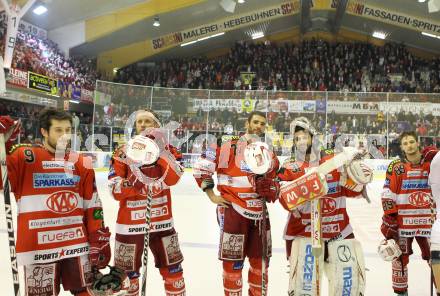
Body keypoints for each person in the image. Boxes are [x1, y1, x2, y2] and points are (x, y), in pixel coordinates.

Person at [2, 109, 111, 296]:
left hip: (76, 245)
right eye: (58, 130)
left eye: (68, 130)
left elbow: (92, 204)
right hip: (38, 248)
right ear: (44, 131)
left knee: (86, 292)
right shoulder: (23, 156)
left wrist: (97, 236)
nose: (65, 135)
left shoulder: (81, 162)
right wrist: (4, 144)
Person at [276, 117, 370, 295]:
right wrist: (299, 189)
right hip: (304, 234)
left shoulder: (334, 160)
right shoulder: (289, 166)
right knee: (305, 288)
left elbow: (352, 191)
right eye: (297, 138)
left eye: (304, 135)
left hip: (339, 231)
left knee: (345, 287)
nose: (301, 140)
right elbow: (284, 200)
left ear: (312, 136)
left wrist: (359, 180)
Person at [193, 110, 280, 296]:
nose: (259, 126)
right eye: (255, 122)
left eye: (263, 124)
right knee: (233, 264)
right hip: (233, 209)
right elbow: (202, 167)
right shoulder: (228, 145)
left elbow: (275, 176)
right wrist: (211, 195)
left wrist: (274, 187)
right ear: (247, 124)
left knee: (261, 263)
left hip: (260, 213)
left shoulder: (267, 151)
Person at [108, 108, 186, 296]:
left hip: (162, 224)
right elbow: (114, 190)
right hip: (129, 226)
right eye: (139, 122)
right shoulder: (122, 152)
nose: (143, 125)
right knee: (128, 280)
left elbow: (174, 179)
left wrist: (160, 155)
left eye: (147, 122)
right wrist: (131, 183)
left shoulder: (169, 150)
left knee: (174, 273)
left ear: (157, 126)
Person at [380, 131, 435, 295]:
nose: (409, 145)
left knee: (437, 259)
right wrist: (390, 217)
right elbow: (387, 193)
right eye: (405, 143)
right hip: (403, 224)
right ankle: (401, 293)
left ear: (418, 143)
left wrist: (435, 152)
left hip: (429, 223)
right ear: (402, 147)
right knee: (399, 260)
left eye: (412, 142)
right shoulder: (396, 167)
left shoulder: (432, 163)